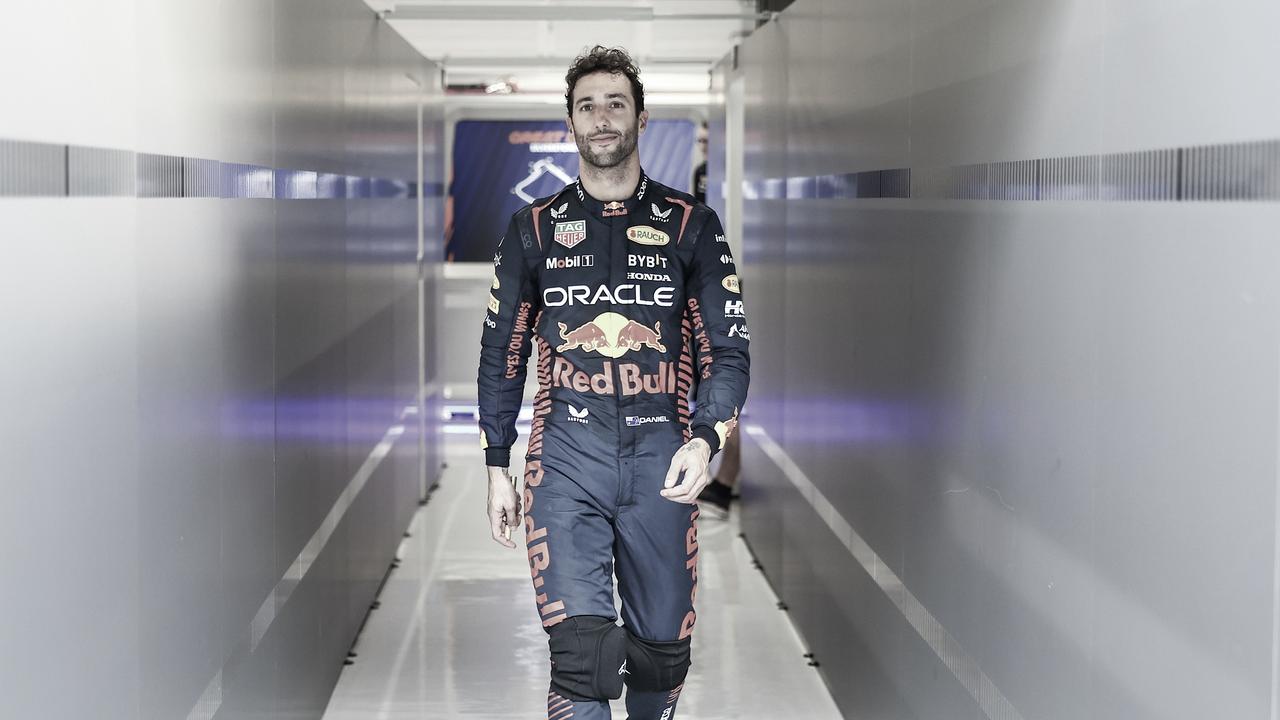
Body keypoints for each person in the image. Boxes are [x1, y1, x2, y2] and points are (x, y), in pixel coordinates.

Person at [477, 45, 750, 720]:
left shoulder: (693, 225)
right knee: (585, 659)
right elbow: (501, 351)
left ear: (642, 118)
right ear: (570, 122)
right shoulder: (532, 229)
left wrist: (706, 437)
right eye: (586, 106)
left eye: (615, 104)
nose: (601, 119)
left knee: (661, 656)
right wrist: (495, 462)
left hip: (664, 457)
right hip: (566, 459)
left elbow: (728, 346)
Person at [688, 121, 740, 520]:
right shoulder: (701, 178)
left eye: (708, 141)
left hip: (728, 287)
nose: (704, 148)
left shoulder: (724, 177)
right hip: (704, 285)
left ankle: (725, 480)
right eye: (701, 142)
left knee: (727, 385)